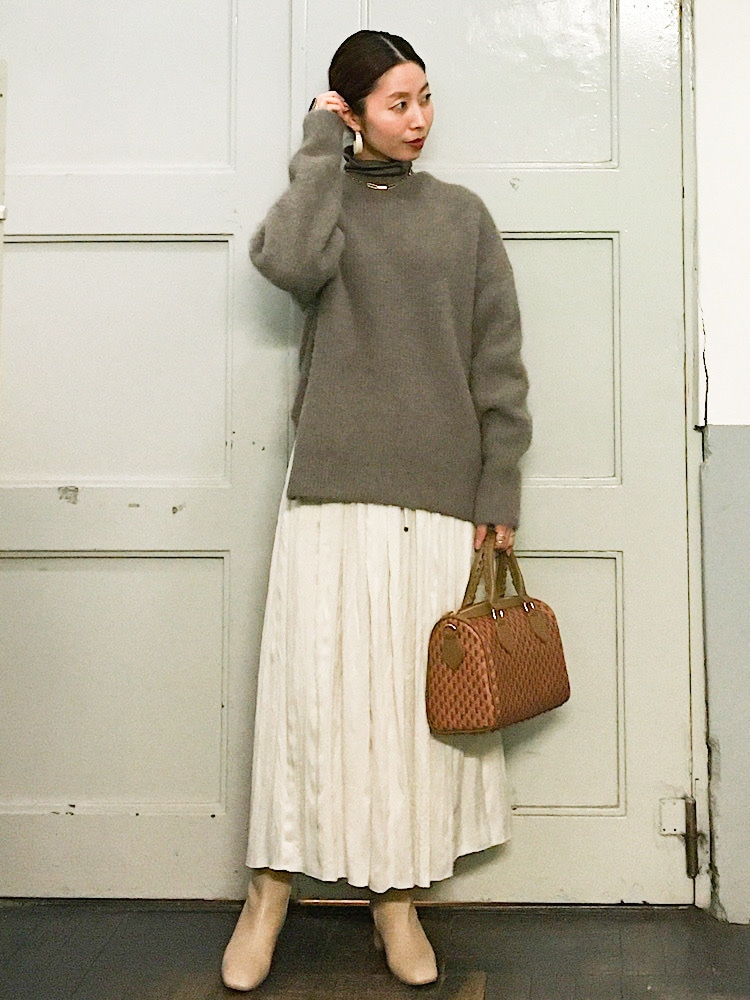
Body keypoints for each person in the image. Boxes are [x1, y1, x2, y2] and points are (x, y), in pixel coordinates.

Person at [221, 29, 532, 992]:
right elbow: (285, 261)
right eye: (398, 103)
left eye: (425, 97)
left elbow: (498, 362)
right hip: (331, 488)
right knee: (307, 703)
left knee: (407, 715)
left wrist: (500, 485)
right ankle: (269, 894)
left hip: (440, 497)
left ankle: (396, 901)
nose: (420, 119)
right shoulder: (324, 204)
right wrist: (319, 149)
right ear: (352, 111)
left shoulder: (463, 217)